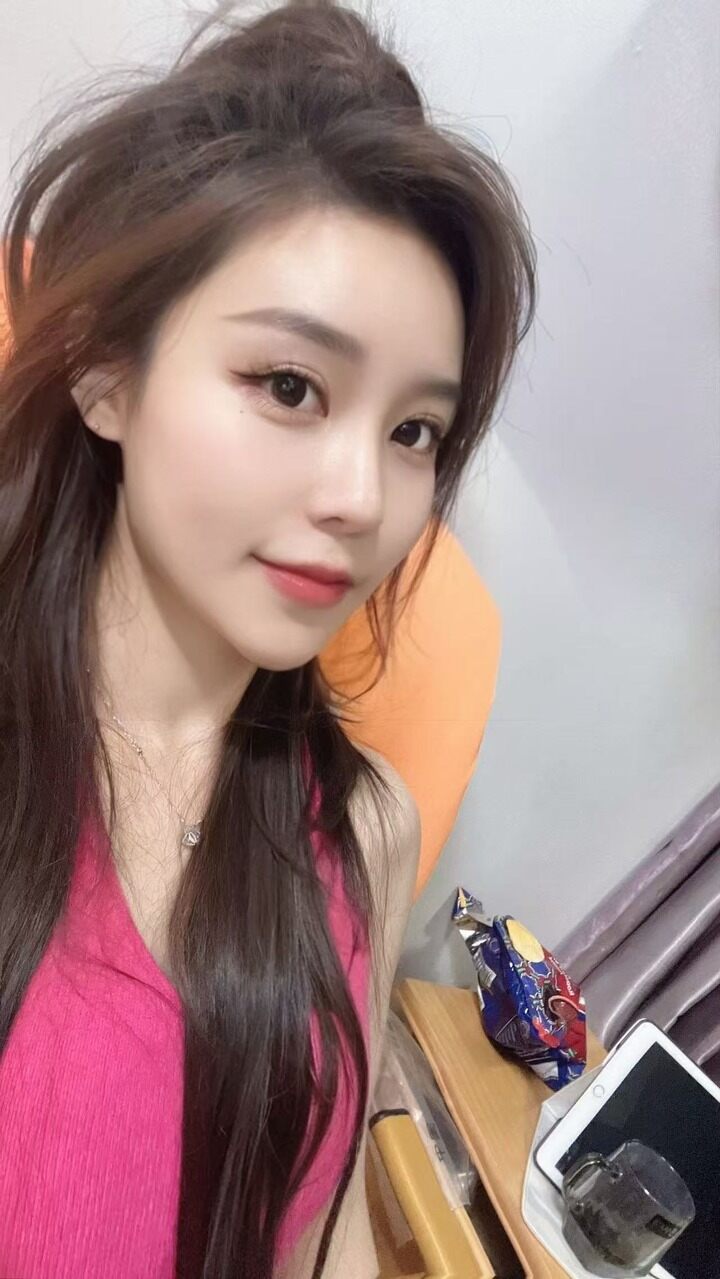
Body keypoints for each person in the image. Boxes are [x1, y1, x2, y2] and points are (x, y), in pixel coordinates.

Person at [0, 1, 535, 1276]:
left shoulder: (368, 829)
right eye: (290, 386)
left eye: (414, 432)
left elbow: (320, 1224)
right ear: (105, 370)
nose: (363, 496)